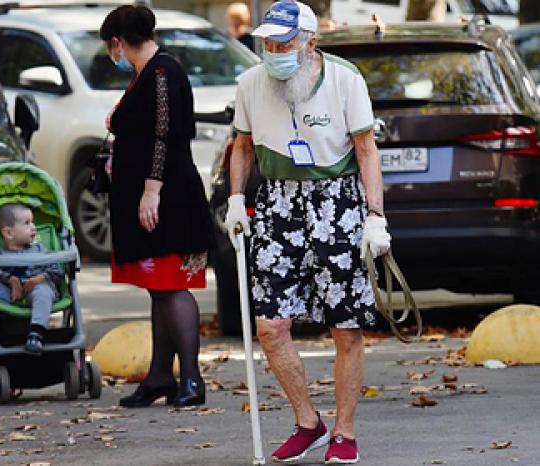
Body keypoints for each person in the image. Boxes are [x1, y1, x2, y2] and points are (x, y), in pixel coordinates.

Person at [224, 1, 391, 464]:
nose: (274, 50)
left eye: (284, 42)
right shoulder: (251, 83)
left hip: (336, 200)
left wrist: (374, 215)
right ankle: (308, 422)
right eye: (268, 42)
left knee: (346, 325)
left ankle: (344, 431)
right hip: (278, 202)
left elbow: (366, 150)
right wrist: (237, 198)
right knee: (270, 325)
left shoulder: (344, 79)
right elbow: (241, 147)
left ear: (310, 41)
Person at [99, 5, 214, 408]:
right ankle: (161, 377)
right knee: (159, 289)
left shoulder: (162, 73)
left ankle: (193, 380)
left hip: (169, 199)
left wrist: (152, 190)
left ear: (117, 42)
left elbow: (165, 134)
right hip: (155, 196)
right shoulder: (146, 74)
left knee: (171, 286)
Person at [0, 203, 63, 356]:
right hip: (10, 293)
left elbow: (57, 270)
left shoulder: (40, 250)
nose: (34, 227)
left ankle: (36, 334)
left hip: (37, 288)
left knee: (44, 291)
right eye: (27, 223)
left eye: (33, 222)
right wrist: (10, 279)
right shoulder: (0, 254)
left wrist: (38, 279)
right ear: (8, 233)